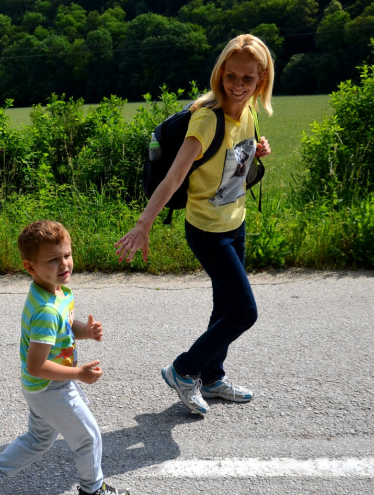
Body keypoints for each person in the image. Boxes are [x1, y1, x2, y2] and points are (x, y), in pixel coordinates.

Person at [114, 34, 274, 416]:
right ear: (220, 73)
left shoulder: (248, 111)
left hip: (235, 223)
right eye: (230, 76)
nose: (237, 85)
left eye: (247, 79)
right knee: (243, 312)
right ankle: (184, 370)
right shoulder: (205, 120)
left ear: (261, 79)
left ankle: (213, 377)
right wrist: (143, 224)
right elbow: (172, 178)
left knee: (225, 305)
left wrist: (257, 151)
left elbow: (234, 166)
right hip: (207, 230)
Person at [0, 220, 130, 495]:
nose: (64, 264)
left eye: (66, 254)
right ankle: (92, 492)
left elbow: (64, 329)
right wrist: (78, 375)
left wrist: (85, 332)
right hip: (51, 386)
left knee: (38, 440)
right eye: (53, 259)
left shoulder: (58, 291)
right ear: (31, 267)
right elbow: (37, 365)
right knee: (88, 437)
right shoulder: (45, 310)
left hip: (41, 388)